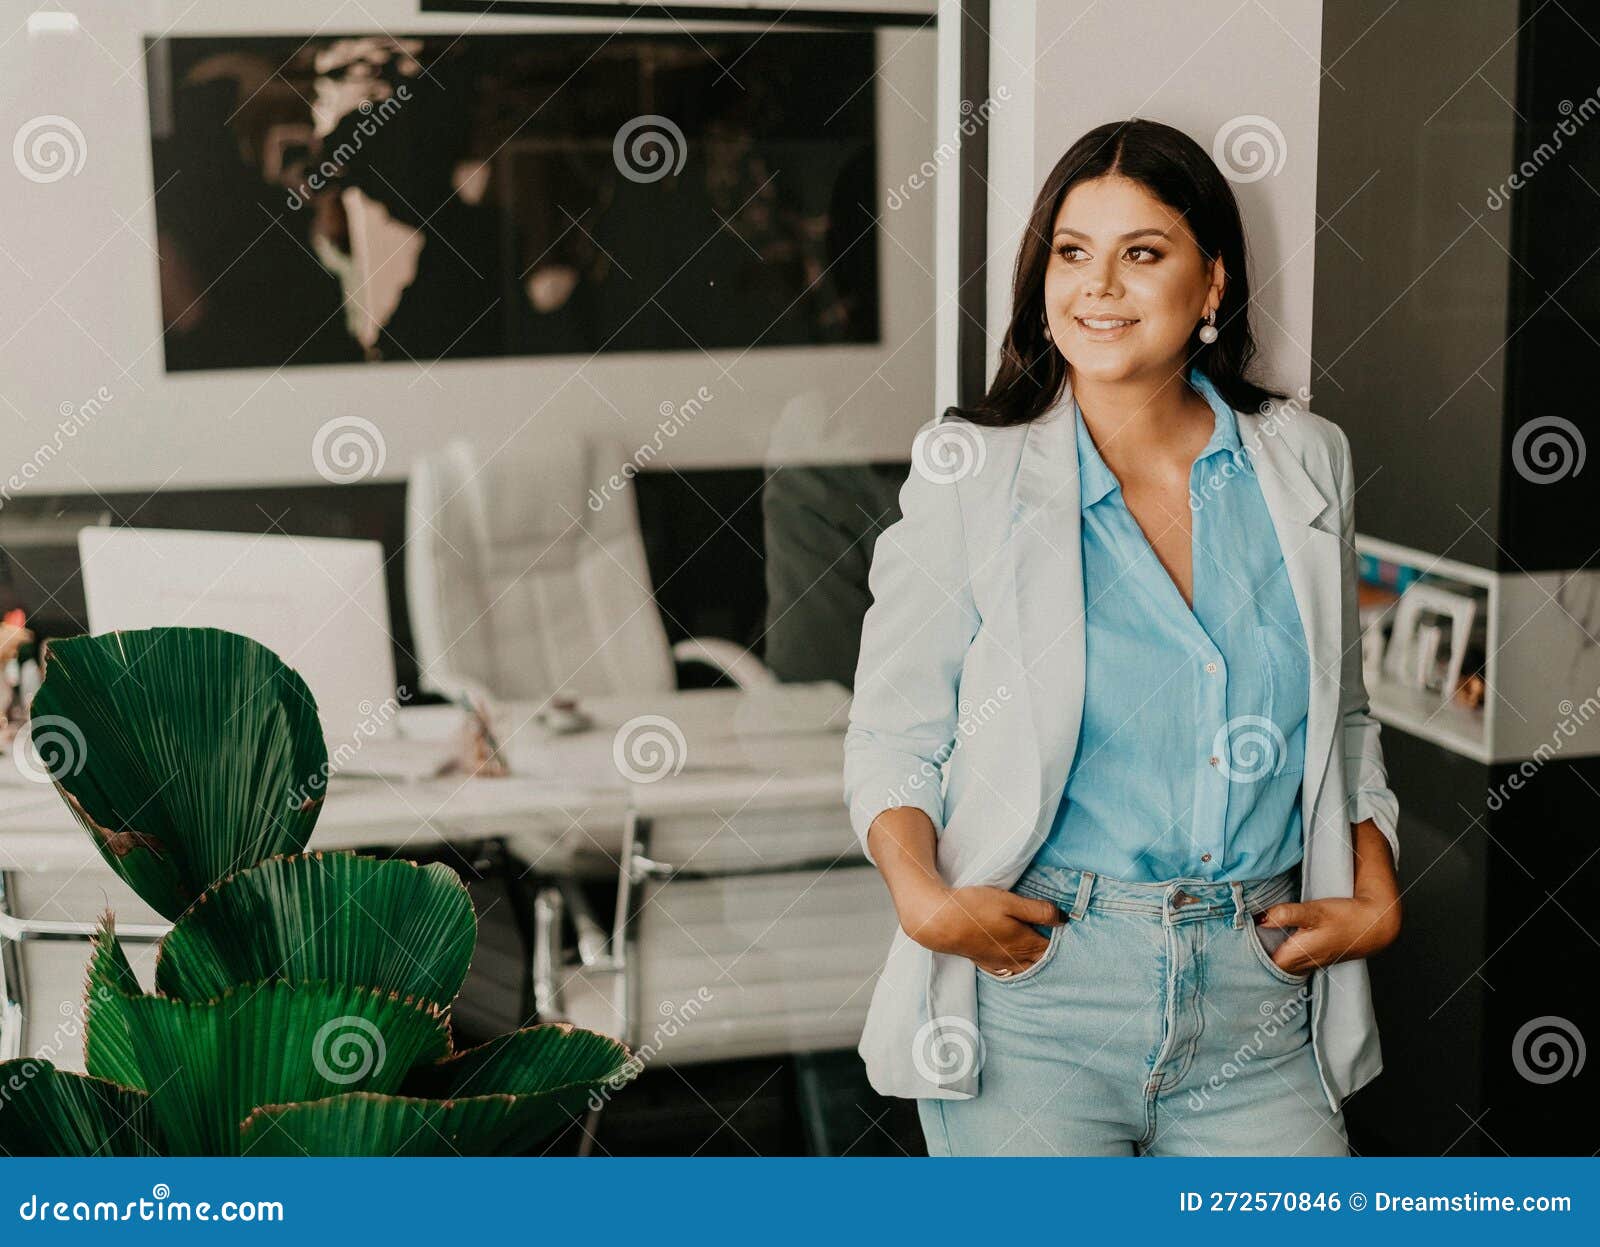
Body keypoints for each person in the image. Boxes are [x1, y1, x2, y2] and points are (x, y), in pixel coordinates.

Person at [843, 118, 1401, 1157]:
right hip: (1038, 992)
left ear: (1212, 281)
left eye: (1142, 253)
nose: (1097, 286)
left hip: (1260, 991)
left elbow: (1346, 713)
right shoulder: (972, 471)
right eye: (1072, 251)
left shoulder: (1306, 459)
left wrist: (1375, 892)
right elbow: (894, 732)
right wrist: (925, 904)